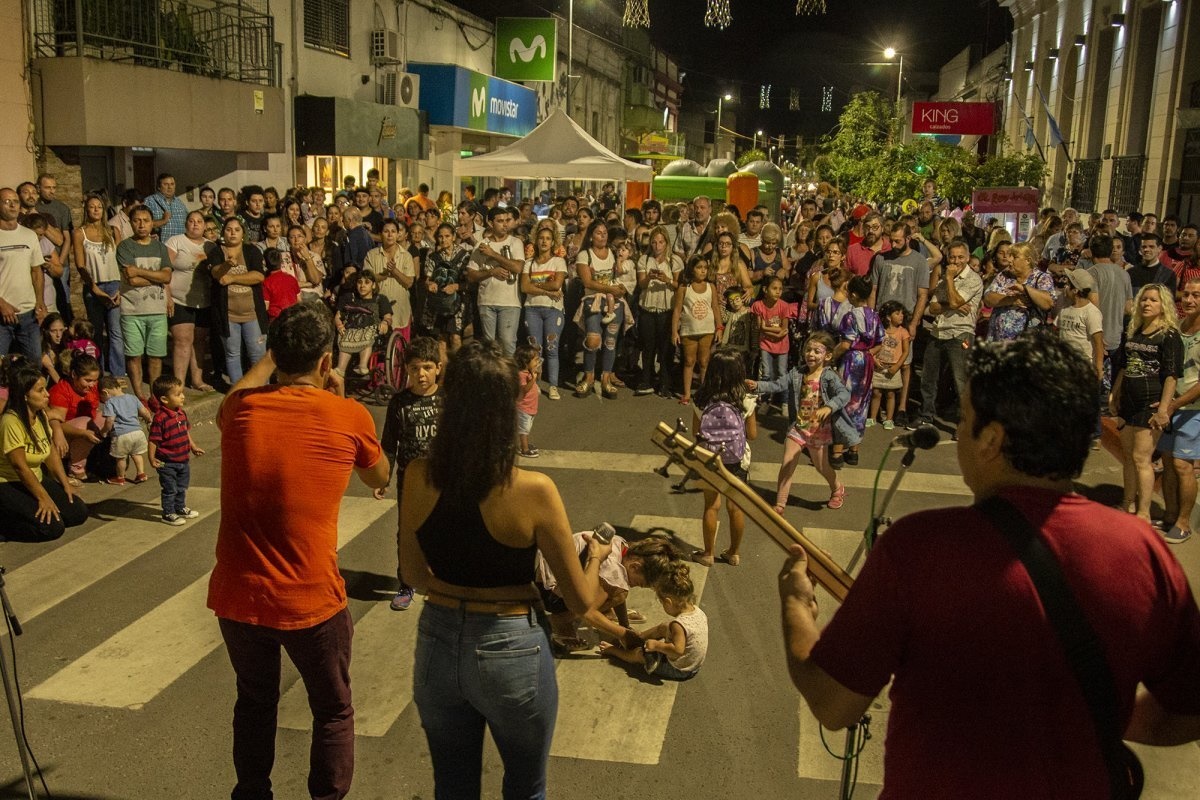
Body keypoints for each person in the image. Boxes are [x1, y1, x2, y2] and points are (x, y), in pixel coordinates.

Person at [778, 330, 1200, 797]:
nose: (958, 431)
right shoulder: (1142, 550)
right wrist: (1101, 717)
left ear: (992, 440)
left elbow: (833, 703)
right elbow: (1190, 707)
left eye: (966, 419)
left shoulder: (921, 548)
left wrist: (796, 606)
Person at [397, 339, 608, 799]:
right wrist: (595, 558)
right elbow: (581, 601)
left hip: (437, 640)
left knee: (453, 786)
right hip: (512, 645)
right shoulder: (534, 490)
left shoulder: (418, 474)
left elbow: (412, 574)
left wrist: (460, 592)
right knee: (525, 788)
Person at [208, 302, 389, 800]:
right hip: (311, 598)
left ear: (272, 353)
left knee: (255, 701)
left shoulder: (239, 410)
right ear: (327, 362)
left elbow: (239, 389)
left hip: (239, 597)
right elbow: (380, 475)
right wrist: (341, 402)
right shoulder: (348, 414)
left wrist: (269, 359)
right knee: (332, 709)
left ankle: (251, 792)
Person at [378, 336, 443, 612]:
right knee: (408, 533)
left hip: (443, 480)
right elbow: (389, 444)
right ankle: (406, 583)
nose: (421, 374)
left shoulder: (449, 400)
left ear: (438, 368)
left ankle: (442, 581)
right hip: (409, 481)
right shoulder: (399, 403)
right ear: (406, 369)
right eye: (415, 368)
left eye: (427, 367)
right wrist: (384, 477)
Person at [755, 331, 852, 514]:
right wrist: (757, 385)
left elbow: (844, 394)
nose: (811, 354)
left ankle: (837, 488)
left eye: (817, 351)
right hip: (798, 428)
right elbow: (778, 385)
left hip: (818, 431)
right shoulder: (797, 373)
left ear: (828, 356)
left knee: (822, 467)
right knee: (787, 463)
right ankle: (780, 503)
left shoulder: (829, 376)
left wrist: (829, 407)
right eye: (808, 350)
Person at [1111, 283, 1183, 523]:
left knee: (1143, 459)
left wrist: (1164, 409)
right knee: (1129, 456)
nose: (1147, 304)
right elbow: (1123, 365)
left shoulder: (1169, 335)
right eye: (1144, 299)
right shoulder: (1134, 330)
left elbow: (1171, 375)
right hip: (1128, 403)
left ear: (1163, 305)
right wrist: (1115, 393)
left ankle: (1143, 512)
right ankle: (1127, 502)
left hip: (1149, 405)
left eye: (1153, 300)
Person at [0, 365, 88, 542]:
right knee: (51, 528)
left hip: (35, 477)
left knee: (77, 513)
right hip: (8, 482)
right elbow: (20, 467)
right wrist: (43, 497)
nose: (47, 395)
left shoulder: (39, 415)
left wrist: (65, 484)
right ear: (25, 395)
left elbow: (50, 453)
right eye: (40, 390)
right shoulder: (11, 421)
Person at [690, 347, 758, 567]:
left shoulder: (701, 399)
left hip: (710, 460)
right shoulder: (745, 399)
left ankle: (708, 554)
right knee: (735, 507)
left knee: (711, 505)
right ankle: (733, 553)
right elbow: (754, 435)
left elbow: (696, 432)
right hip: (737, 461)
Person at [598, 561, 708, 681]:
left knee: (640, 654)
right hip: (693, 665)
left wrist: (657, 645)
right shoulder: (698, 611)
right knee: (664, 627)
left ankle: (614, 651)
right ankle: (638, 637)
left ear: (668, 602)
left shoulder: (679, 625)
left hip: (680, 669)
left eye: (662, 603)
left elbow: (677, 651)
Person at [919, 240, 984, 428]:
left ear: (968, 257)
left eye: (960, 257)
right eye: (952, 257)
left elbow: (956, 300)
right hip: (939, 331)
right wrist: (951, 304)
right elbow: (932, 307)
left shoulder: (973, 280)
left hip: (960, 333)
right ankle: (926, 415)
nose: (956, 261)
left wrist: (948, 280)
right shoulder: (942, 280)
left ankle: (964, 424)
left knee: (961, 381)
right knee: (928, 378)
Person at [115, 206, 173, 399]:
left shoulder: (160, 247)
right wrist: (157, 277)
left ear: (152, 222)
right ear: (131, 223)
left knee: (156, 356)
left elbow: (167, 277)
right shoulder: (125, 246)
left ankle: (154, 396)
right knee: (134, 356)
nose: (141, 224)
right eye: (137, 220)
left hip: (157, 309)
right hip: (132, 310)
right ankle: (139, 395)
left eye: (146, 220)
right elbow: (131, 280)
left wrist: (140, 271)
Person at [207, 217, 268, 386]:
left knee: (257, 354)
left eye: (237, 229)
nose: (232, 233)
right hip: (228, 315)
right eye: (228, 229)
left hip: (253, 313)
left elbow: (258, 276)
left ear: (243, 233)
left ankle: (261, 391)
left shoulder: (252, 251)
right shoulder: (216, 252)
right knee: (232, 354)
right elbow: (217, 275)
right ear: (223, 233)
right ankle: (238, 392)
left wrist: (232, 277)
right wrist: (227, 265)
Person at [832, 277, 883, 466]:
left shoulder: (851, 316)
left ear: (853, 295)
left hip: (851, 362)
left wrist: (831, 356)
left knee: (843, 402)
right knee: (861, 405)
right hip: (866, 362)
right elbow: (880, 341)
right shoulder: (874, 316)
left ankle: (837, 452)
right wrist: (868, 353)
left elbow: (845, 344)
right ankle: (854, 451)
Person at [73, 192, 125, 378]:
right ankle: (99, 372)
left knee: (115, 332)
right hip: (93, 286)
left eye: (99, 206)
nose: (96, 209)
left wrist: (120, 288)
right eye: (92, 206)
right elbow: (80, 265)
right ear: (86, 209)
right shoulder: (80, 233)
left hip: (114, 284)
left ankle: (118, 373)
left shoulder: (112, 231)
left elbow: (120, 260)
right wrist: (94, 288)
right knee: (95, 332)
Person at [166, 210, 216, 392]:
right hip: (179, 300)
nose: (195, 224)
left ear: (204, 225)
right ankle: (178, 384)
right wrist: (167, 296)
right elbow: (165, 270)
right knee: (182, 340)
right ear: (186, 224)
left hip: (203, 301)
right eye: (191, 221)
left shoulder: (211, 246)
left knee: (200, 340)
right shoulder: (175, 241)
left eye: (199, 221)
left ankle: (197, 379)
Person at [520, 224, 567, 400]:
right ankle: (535, 384)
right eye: (541, 238)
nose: (544, 241)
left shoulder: (558, 261)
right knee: (535, 350)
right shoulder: (529, 263)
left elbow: (557, 284)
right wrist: (547, 291)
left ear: (553, 241)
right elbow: (525, 287)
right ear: (536, 241)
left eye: (548, 238)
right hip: (532, 309)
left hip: (553, 310)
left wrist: (536, 286)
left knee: (552, 348)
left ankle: (553, 385)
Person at [0, 187, 47, 360]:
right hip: (2, 314)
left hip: (28, 315)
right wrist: (1, 303)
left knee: (34, 365)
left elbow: (36, 271)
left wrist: (40, 301)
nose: (12, 205)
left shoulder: (29, 235)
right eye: (7, 201)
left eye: (16, 201)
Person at [671, 257, 721, 406]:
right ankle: (686, 393)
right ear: (692, 269)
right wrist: (674, 331)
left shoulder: (710, 286)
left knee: (704, 362)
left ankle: (704, 392)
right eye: (699, 267)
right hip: (689, 330)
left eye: (705, 267)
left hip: (707, 330)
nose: (703, 270)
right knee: (689, 361)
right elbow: (677, 310)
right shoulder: (684, 287)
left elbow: (715, 307)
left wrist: (719, 327)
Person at [48, 352, 104, 482]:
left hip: (85, 434)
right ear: (74, 375)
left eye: (95, 380)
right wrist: (83, 433)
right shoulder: (61, 391)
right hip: (64, 439)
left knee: (105, 417)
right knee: (86, 422)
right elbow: (57, 424)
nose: (92, 385)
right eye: (88, 380)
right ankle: (76, 467)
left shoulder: (92, 388)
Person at [751, 275, 797, 410]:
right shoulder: (758, 306)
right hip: (766, 344)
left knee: (782, 372)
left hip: (782, 345)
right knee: (766, 373)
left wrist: (765, 328)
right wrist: (771, 331)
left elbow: (784, 330)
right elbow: (759, 327)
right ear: (765, 289)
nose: (778, 291)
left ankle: (784, 402)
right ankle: (764, 401)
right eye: (774, 288)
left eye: (780, 289)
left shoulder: (784, 306)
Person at [334, 269, 391, 377]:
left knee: (367, 335)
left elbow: (387, 316)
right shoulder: (349, 298)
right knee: (346, 336)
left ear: (373, 285)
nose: (362, 286)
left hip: (371, 328)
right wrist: (339, 325)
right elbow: (338, 316)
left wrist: (385, 323)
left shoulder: (380, 299)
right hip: (350, 328)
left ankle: (363, 365)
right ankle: (340, 369)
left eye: (367, 282)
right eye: (359, 282)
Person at [98, 376, 152, 485]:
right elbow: (145, 412)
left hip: (121, 434)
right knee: (136, 454)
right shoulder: (132, 397)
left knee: (120, 458)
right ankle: (141, 473)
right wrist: (149, 420)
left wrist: (103, 431)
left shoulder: (110, 403)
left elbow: (110, 420)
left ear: (105, 392)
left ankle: (120, 477)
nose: (103, 401)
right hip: (137, 432)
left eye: (102, 398)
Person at [867, 301, 910, 430]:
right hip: (879, 366)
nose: (901, 316)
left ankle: (889, 419)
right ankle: (872, 417)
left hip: (893, 368)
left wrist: (897, 366)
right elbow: (872, 346)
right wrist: (874, 359)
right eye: (897, 313)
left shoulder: (903, 332)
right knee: (876, 392)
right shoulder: (880, 330)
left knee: (891, 393)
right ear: (888, 317)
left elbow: (906, 351)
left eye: (902, 313)